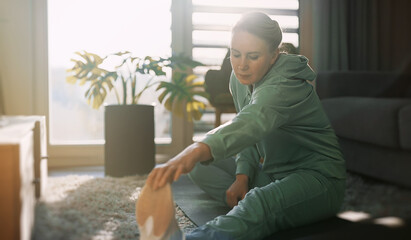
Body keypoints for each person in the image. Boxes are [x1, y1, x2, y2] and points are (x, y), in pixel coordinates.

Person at [143, 12, 346, 240]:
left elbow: (251, 122)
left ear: (273, 55)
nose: (242, 65)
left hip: (319, 180)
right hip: (273, 173)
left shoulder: (285, 83)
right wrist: (242, 177)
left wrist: (195, 149)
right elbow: (249, 137)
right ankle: (257, 206)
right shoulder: (239, 80)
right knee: (201, 165)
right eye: (235, 54)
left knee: (258, 202)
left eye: (253, 56)